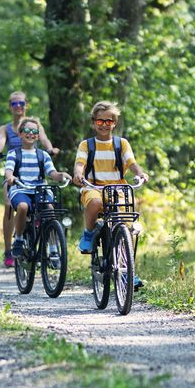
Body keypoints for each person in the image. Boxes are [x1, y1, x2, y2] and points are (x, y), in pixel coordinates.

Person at [70, 101, 150, 286]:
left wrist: (140, 174)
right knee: (95, 203)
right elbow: (80, 164)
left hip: (117, 189)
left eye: (109, 121)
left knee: (126, 224)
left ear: (114, 123)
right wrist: (78, 174)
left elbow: (131, 163)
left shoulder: (121, 144)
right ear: (93, 123)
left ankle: (127, 270)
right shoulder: (86, 145)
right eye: (100, 122)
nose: (104, 125)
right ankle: (89, 233)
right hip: (94, 187)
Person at [0, 91, 57, 268]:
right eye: (14, 104)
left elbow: (44, 140)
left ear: (26, 104)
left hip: (34, 177)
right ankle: (8, 249)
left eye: (21, 103)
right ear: (10, 106)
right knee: (8, 205)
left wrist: (50, 149)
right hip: (14, 177)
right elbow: (0, 142)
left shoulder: (35, 125)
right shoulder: (5, 128)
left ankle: (44, 239)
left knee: (46, 205)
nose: (18, 106)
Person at [6, 117, 69, 258]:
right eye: (27, 130)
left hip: (40, 190)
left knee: (50, 211)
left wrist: (61, 175)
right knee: (23, 207)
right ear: (20, 133)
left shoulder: (43, 155)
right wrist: (10, 177)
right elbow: (9, 170)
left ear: (38, 135)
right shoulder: (14, 154)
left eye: (35, 131)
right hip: (20, 189)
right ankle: (19, 239)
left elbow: (52, 173)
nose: (31, 133)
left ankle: (53, 247)